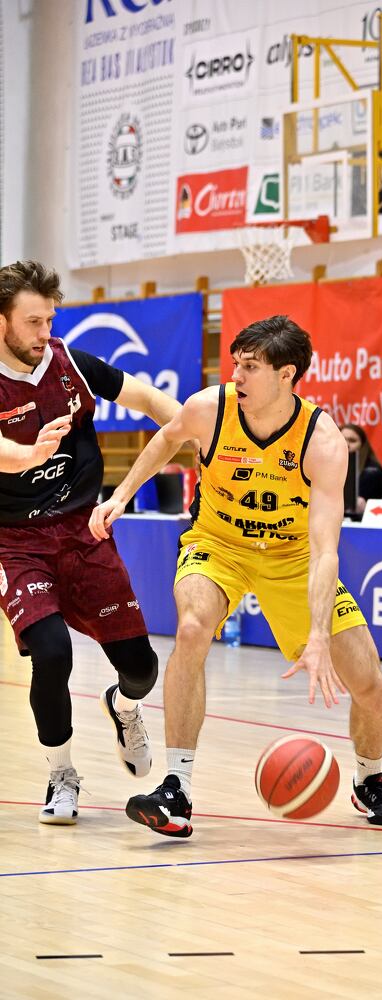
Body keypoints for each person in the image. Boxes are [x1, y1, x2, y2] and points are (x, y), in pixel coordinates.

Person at [90, 315, 382, 838]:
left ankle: (369, 778)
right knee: (192, 628)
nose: (236, 375)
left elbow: (325, 550)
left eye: (250, 367)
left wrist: (318, 635)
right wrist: (120, 497)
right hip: (218, 545)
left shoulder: (322, 440)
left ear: (286, 375)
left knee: (370, 684)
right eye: (235, 363)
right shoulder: (210, 409)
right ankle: (176, 788)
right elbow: (167, 438)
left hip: (293, 558)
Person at [0, 259, 181, 825]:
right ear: (1, 321)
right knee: (52, 652)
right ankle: (62, 775)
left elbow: (151, 401)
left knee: (142, 668)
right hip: (16, 540)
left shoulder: (70, 364)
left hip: (84, 531)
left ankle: (123, 707)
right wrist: (28, 454)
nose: (44, 332)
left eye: (49, 320)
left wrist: (198, 434)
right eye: (32, 322)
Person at [340, 422, 382, 514]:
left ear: (363, 445)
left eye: (352, 441)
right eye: (342, 440)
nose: (346, 444)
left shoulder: (372, 472)